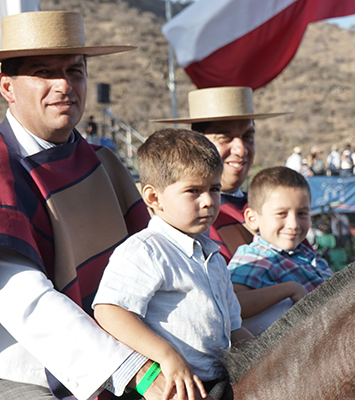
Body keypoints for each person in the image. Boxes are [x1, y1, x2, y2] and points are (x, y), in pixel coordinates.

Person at [0, 11, 177, 400]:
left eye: (74, 71)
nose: (63, 85)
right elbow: (24, 300)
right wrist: (135, 371)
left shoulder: (106, 166)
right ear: (6, 86)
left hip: (127, 361)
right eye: (43, 73)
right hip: (23, 379)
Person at [94, 129, 251, 399]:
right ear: (154, 198)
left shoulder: (212, 256)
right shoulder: (146, 250)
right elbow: (109, 311)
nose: (208, 202)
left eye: (214, 189)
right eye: (193, 191)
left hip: (218, 382)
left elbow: (234, 329)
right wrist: (166, 355)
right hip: (170, 389)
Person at [153, 86, 289, 262]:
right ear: (197, 143)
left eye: (248, 137)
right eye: (225, 137)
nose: (241, 150)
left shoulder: (275, 207)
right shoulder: (182, 216)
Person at [228, 167, 332, 334]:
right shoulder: (255, 256)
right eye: (282, 213)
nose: (294, 224)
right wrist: (289, 289)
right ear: (252, 219)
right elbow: (234, 305)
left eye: (302, 213)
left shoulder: (310, 257)